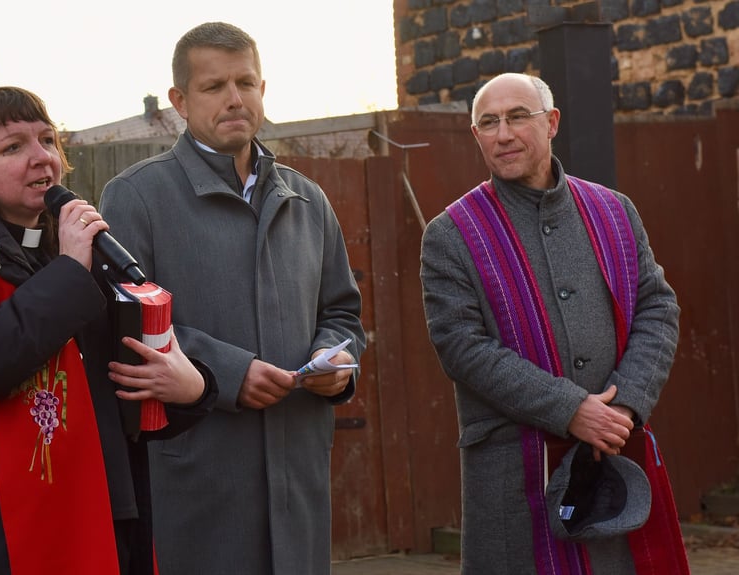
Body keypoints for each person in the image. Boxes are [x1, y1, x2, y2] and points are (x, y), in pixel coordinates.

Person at [0, 85, 217, 575]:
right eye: (12, 147)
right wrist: (69, 271)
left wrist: (192, 390)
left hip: (105, 513)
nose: (41, 157)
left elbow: (114, 392)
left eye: (47, 140)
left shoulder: (71, 251)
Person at [98, 21, 366, 575]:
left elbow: (342, 313)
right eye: (213, 86)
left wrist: (337, 359)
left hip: (299, 475)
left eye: (245, 83)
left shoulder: (308, 200)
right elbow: (123, 329)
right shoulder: (135, 197)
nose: (234, 98)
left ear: (262, 89)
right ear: (179, 101)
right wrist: (230, 373)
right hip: (199, 479)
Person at [419, 72, 689, 574]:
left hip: (613, 454)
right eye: (489, 123)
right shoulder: (451, 234)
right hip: (513, 477)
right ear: (476, 135)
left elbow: (657, 308)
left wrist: (623, 406)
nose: (504, 134)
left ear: (552, 123)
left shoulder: (614, 211)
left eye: (518, 117)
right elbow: (462, 347)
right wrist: (571, 409)